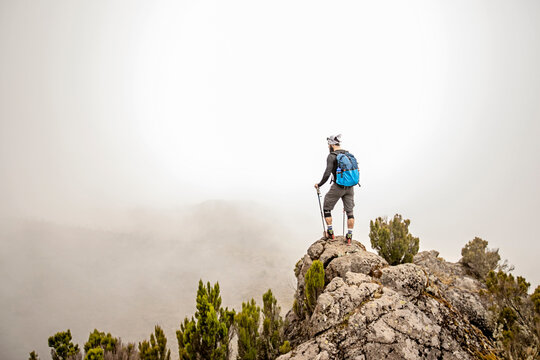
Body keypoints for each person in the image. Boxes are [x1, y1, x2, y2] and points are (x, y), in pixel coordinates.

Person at [314, 134, 356, 243]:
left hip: (338, 187)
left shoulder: (332, 156)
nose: (328, 146)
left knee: (326, 207)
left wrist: (319, 184)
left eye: (329, 144)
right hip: (350, 187)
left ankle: (330, 232)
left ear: (332, 144)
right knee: (350, 212)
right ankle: (349, 236)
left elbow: (327, 173)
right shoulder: (348, 154)